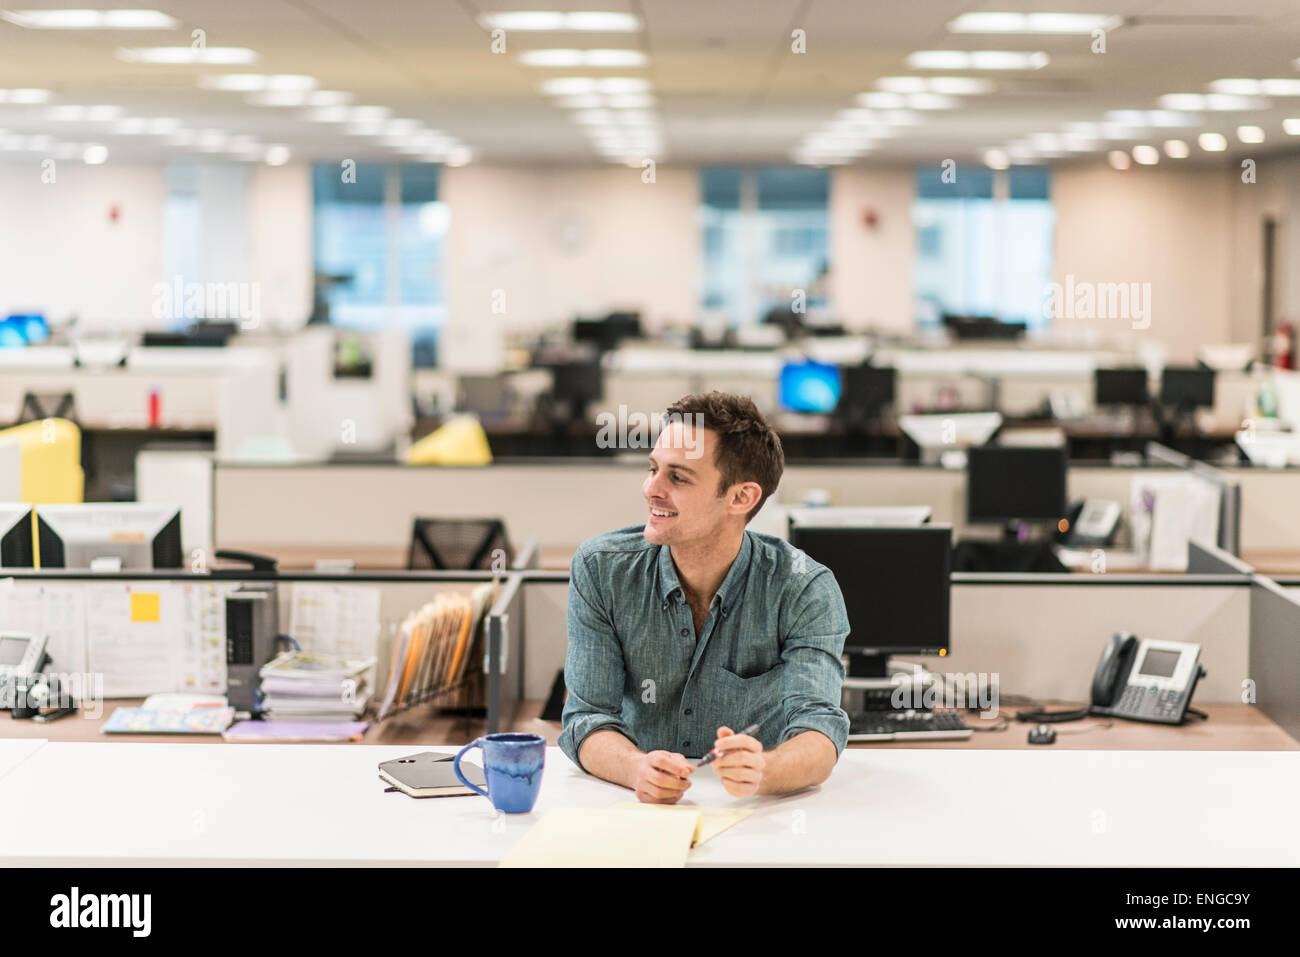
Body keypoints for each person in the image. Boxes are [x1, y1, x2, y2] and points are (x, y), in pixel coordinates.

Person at [559, 391, 850, 803]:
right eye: (653, 469)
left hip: (753, 811)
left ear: (741, 497)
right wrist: (636, 768)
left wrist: (765, 770)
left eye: (677, 478)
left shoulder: (803, 587)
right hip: (634, 804)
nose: (650, 489)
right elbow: (587, 719)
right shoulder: (602, 569)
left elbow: (819, 730)